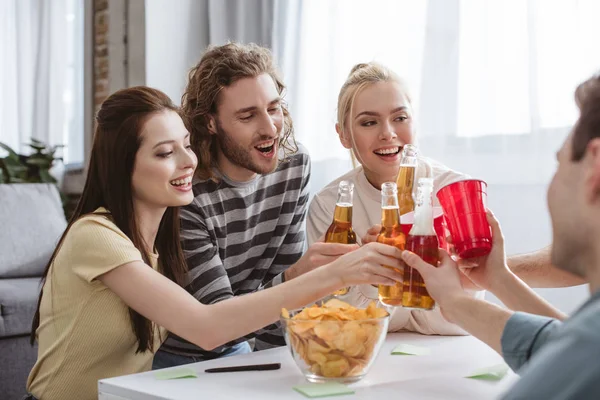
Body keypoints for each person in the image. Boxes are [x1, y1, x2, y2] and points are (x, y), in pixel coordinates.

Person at [24, 86, 404, 400]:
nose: (187, 161)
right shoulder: (96, 236)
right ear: (123, 166)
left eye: (186, 145)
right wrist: (335, 275)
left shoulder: (157, 244)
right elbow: (207, 328)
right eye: (164, 153)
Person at [153, 42, 360, 368]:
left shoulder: (293, 165)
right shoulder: (186, 190)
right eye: (248, 115)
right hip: (181, 359)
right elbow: (218, 322)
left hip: (243, 352)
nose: (269, 128)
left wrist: (278, 369)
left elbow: (283, 293)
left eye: (274, 108)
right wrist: (301, 275)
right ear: (210, 123)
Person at [401, 73, 600, 399]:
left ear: (595, 167)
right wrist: (491, 282)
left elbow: (576, 349)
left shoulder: (587, 352)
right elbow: (559, 341)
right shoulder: (588, 340)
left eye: (560, 163)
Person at [307, 62, 483, 335]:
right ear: (343, 135)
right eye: (369, 122)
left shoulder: (453, 192)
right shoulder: (329, 206)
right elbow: (344, 321)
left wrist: (389, 277)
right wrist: (379, 275)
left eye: (400, 118)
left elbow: (460, 320)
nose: (387, 132)